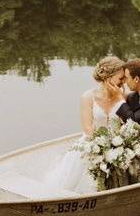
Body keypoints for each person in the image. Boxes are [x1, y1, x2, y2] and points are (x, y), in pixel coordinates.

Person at [43, 56, 127, 193]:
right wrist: (102, 146)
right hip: (92, 143)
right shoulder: (88, 97)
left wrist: (117, 145)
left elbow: (127, 122)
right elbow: (87, 128)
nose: (124, 82)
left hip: (118, 145)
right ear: (108, 77)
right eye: (121, 78)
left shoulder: (124, 95)